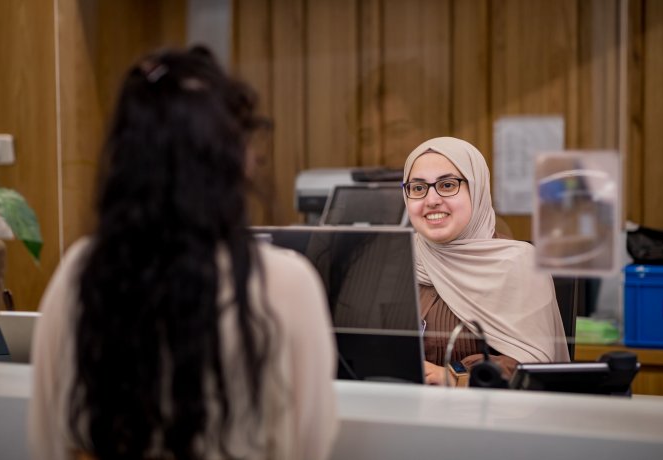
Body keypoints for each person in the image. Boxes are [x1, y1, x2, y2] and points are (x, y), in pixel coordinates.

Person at [29, 46, 338, 460]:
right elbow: (309, 445)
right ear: (232, 156)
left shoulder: (81, 273)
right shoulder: (285, 284)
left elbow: (48, 439)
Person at [402, 137, 570, 386]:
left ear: (477, 189)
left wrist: (454, 377)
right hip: (399, 413)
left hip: (489, 419)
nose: (432, 199)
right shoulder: (398, 262)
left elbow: (534, 365)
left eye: (447, 185)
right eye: (418, 188)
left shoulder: (518, 264)